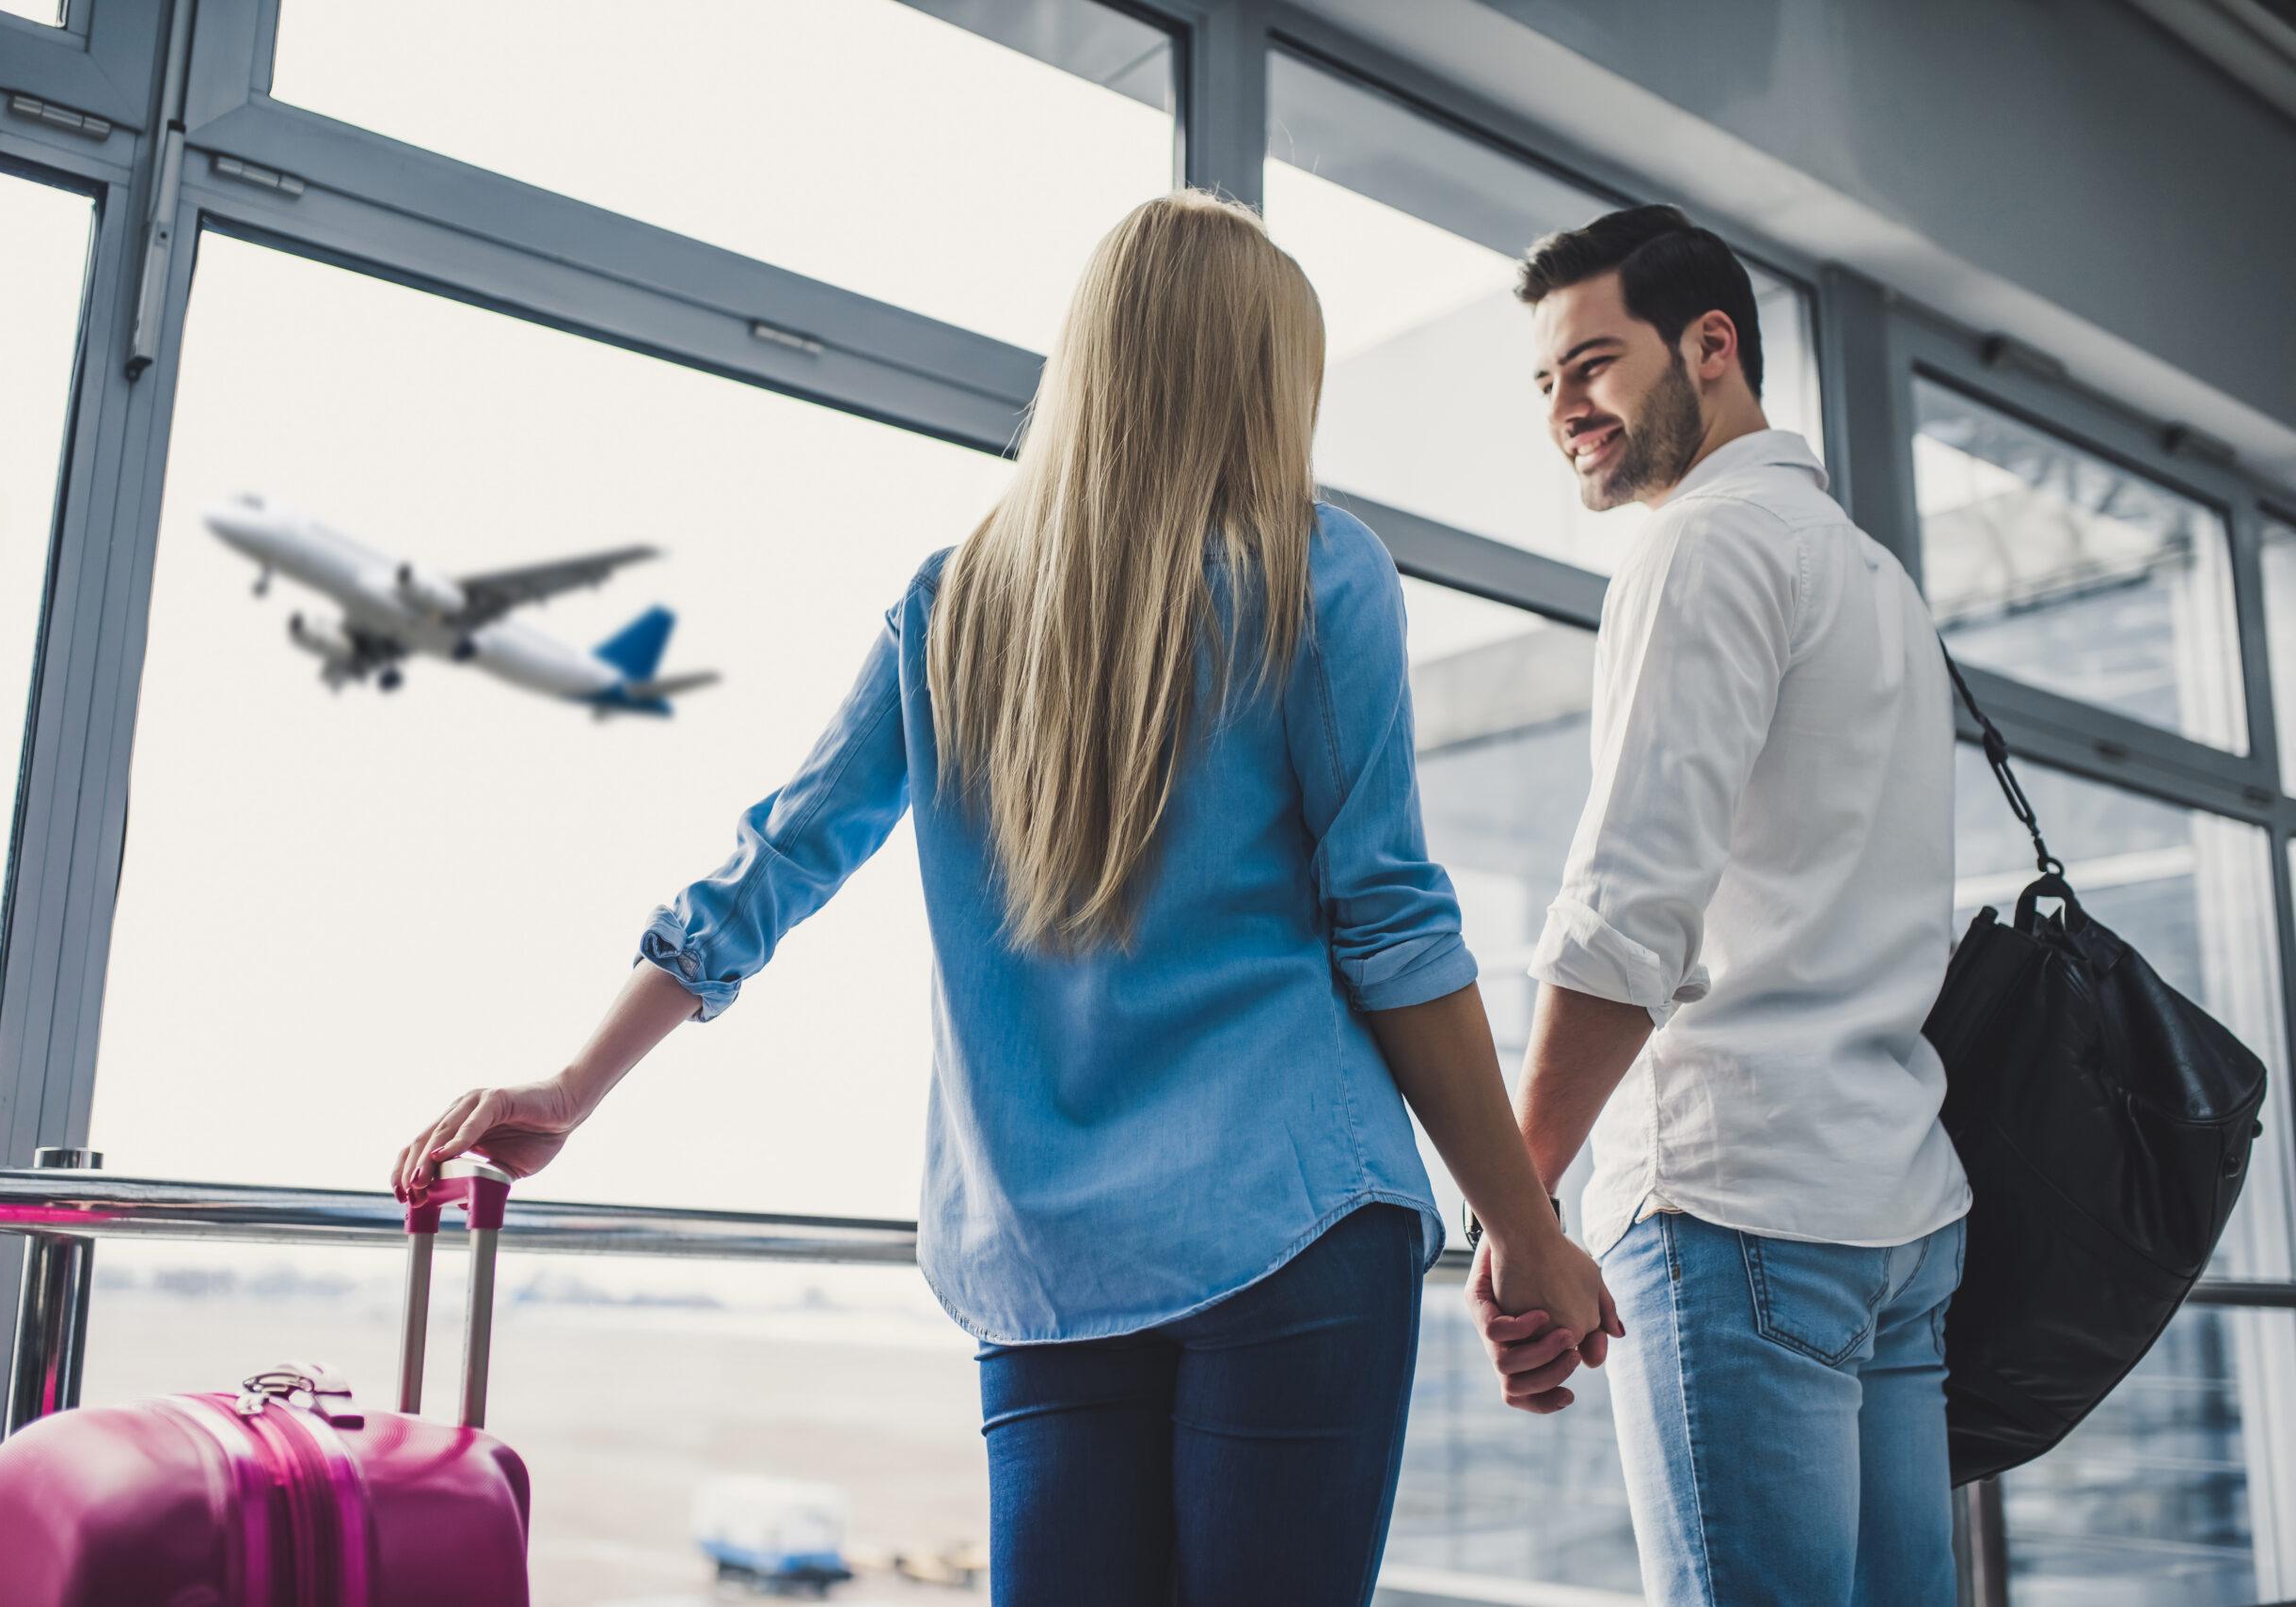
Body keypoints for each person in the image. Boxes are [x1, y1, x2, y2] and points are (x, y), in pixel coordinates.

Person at [389, 189, 1613, 1607]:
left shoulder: (952, 602)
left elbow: (778, 858)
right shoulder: (1315, 573)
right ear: (1258, 381)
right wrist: (1522, 1227)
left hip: (1044, 1253)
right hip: (1295, 1223)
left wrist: (574, 1082)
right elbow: (1393, 922)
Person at [1477, 204, 1971, 1606]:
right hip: (1899, 1207)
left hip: (1741, 1197)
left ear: (1712, 347)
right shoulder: (1876, 579)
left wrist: (1521, 1211)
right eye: (1546, 383)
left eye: (1593, 363)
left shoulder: (1699, 549)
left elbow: (1629, 912)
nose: (1565, 407)